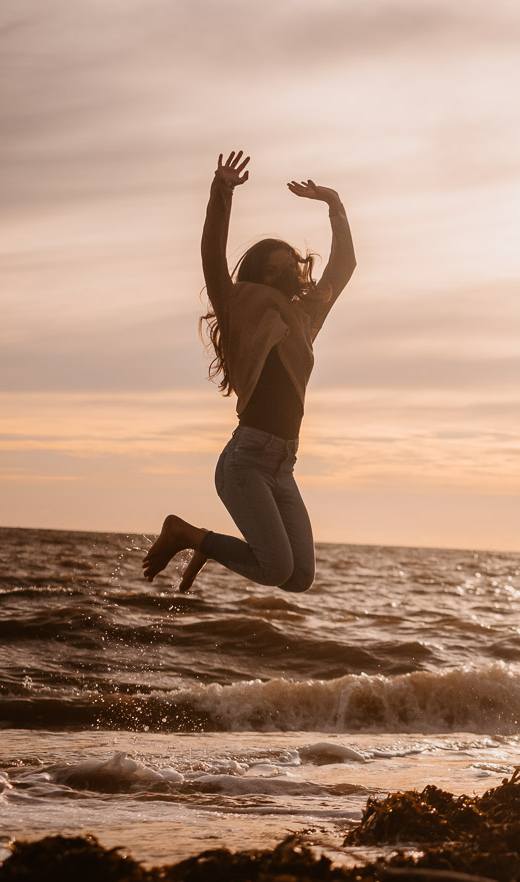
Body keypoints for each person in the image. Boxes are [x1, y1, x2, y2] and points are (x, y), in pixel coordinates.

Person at [141, 150, 355, 592]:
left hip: (283, 463)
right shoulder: (238, 305)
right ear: (257, 275)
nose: (282, 275)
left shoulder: (306, 318)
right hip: (246, 461)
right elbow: (212, 254)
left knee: (299, 578)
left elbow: (344, 265)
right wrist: (222, 191)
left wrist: (333, 203)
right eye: (270, 269)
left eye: (289, 268)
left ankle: (209, 545)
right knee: (275, 568)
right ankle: (185, 533)